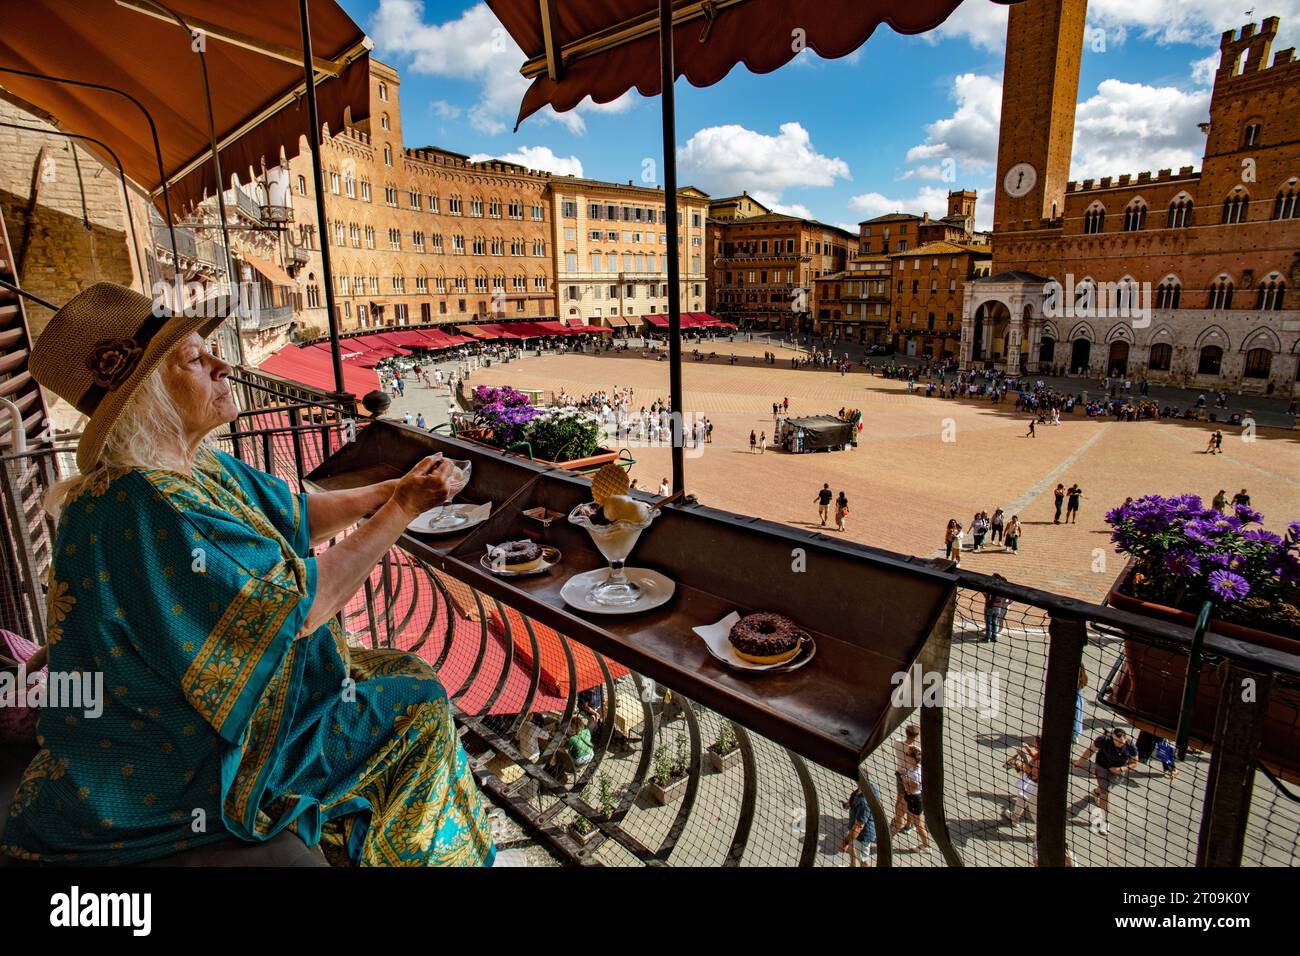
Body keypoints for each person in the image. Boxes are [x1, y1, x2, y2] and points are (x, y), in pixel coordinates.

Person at [3, 283, 494, 866]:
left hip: (167, 706)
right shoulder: (155, 503)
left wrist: (388, 490)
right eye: (194, 358)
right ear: (149, 396)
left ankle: (361, 838)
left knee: (395, 671)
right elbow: (302, 609)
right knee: (416, 700)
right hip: (187, 747)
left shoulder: (187, 464)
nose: (221, 363)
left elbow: (294, 517)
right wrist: (403, 510)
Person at [1074, 727, 1139, 834]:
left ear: (1126, 739)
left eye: (1121, 742)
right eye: (1115, 741)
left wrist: (1121, 769)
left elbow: (1135, 762)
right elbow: (1090, 750)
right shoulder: (1103, 740)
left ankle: (1097, 791)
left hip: (1118, 771)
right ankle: (1103, 821)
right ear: (1112, 738)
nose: (1118, 744)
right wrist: (1079, 762)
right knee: (1106, 794)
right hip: (1102, 767)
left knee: (1105, 789)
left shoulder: (1131, 746)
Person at [889, 746, 931, 850]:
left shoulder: (915, 774)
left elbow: (909, 790)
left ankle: (926, 845)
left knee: (918, 825)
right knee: (899, 816)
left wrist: (902, 777)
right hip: (910, 797)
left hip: (914, 799)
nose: (905, 755)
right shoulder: (918, 768)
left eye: (907, 754)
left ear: (913, 758)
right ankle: (889, 838)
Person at [839, 781, 881, 867]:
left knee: (864, 861)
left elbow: (859, 826)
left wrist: (845, 843)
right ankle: (852, 865)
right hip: (856, 830)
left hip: (862, 835)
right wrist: (849, 804)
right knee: (852, 842)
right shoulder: (872, 786)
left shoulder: (863, 802)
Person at [1002, 736, 1040, 826]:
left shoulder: (1039, 760)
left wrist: (1024, 759)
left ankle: (1039, 835)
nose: (1034, 743)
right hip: (1032, 785)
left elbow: (1033, 775)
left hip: (1035, 788)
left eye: (1035, 742)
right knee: (1021, 796)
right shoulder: (1042, 753)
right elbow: (1034, 757)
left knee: (1033, 810)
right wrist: (1028, 750)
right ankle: (1015, 816)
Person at [890, 724, 920, 831]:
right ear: (916, 736)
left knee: (899, 798)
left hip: (900, 773)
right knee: (909, 802)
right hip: (911, 777)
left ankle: (897, 819)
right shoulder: (916, 749)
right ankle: (908, 824)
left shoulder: (897, 742)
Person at [983, 574, 1009, 643]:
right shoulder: (1001, 588)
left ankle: (987, 637)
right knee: (994, 622)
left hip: (990, 607)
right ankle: (994, 637)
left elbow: (988, 597)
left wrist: (982, 592)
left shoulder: (992, 587)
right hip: (998, 608)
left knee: (988, 623)